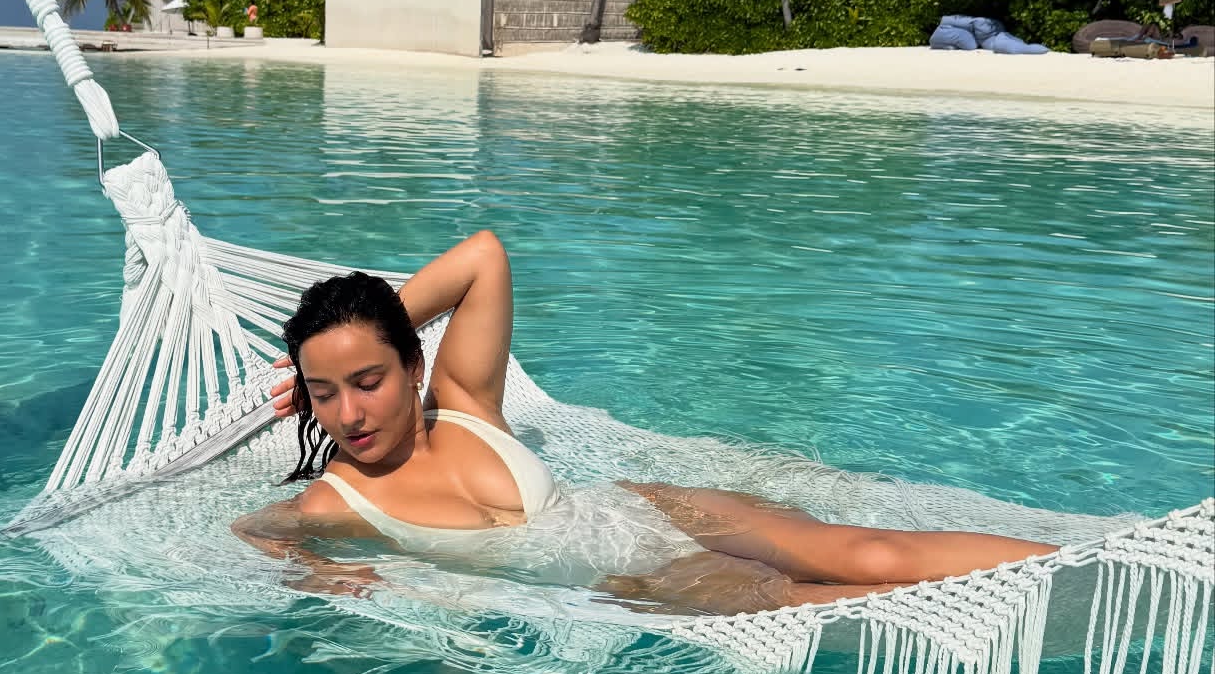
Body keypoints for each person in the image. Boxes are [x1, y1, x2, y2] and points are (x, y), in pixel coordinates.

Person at [231, 231, 1056, 615]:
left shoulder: (463, 400)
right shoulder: (337, 500)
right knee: (826, 604)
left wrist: (368, 328)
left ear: (413, 365)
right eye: (323, 394)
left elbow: (483, 256)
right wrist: (317, 574)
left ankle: (1090, 564)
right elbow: (254, 530)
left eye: (368, 381)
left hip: (655, 509)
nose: (348, 413)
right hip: (637, 581)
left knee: (875, 552)